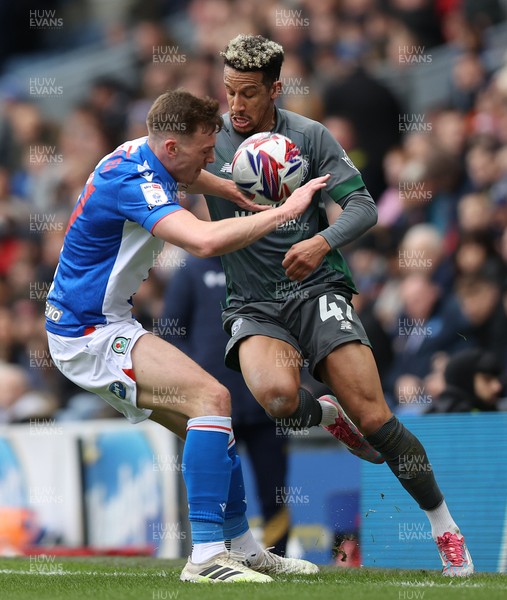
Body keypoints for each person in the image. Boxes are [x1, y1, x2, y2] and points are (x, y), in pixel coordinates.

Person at [191, 34, 474, 577]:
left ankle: (445, 528)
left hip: (317, 290)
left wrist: (322, 241)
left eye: (248, 93)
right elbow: (164, 160)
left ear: (275, 88)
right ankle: (322, 414)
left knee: (375, 416)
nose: (236, 105)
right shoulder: (213, 140)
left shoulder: (309, 135)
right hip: (254, 302)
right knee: (276, 399)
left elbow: (364, 207)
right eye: (228, 92)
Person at [45, 89, 329, 583]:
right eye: (203, 149)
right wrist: (286, 210)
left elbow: (191, 175)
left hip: (98, 322)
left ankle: (242, 548)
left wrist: (233, 194)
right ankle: (205, 558)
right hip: (87, 332)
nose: (209, 159)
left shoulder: (144, 153)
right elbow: (202, 242)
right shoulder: (135, 180)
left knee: (214, 429)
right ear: (172, 146)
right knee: (213, 397)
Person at [161, 253, 291, 555]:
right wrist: (194, 377)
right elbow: (169, 330)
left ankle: (276, 556)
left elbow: (288, 325)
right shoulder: (191, 270)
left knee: (274, 492)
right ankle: (213, 552)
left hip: (264, 408)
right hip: (212, 409)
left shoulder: (263, 266)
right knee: (213, 487)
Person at [427, 348, 504, 413]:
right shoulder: (441, 420)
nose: (497, 387)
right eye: (487, 380)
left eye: (497, 380)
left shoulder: (492, 413)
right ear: (466, 381)